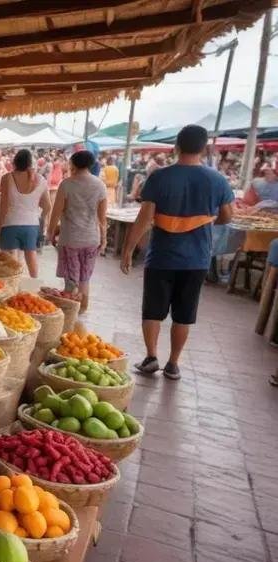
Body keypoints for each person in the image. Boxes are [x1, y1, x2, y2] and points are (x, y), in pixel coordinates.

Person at [121, 124, 234, 380]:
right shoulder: (217, 180)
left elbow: (144, 218)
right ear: (204, 148)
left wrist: (128, 249)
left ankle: (151, 357)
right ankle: (173, 364)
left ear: (177, 147)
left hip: (162, 257)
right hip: (197, 259)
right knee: (184, 313)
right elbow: (227, 216)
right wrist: (203, 220)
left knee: (153, 310)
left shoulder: (160, 177)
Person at [47, 150, 107, 313]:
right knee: (84, 277)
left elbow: (56, 212)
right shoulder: (100, 185)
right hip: (91, 239)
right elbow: (102, 218)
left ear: (73, 163)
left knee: (71, 279)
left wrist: (50, 231)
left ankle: (71, 311)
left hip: (71, 239)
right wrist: (104, 239)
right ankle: (83, 308)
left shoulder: (67, 184)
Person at [0, 149, 51, 278]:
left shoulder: (7, 178)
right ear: (30, 163)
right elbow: (47, 206)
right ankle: (34, 285)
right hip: (32, 225)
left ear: (15, 162)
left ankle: (12, 289)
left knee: (10, 262)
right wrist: (41, 219)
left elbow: (3, 207)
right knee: (31, 255)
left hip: (10, 224)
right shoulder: (41, 180)